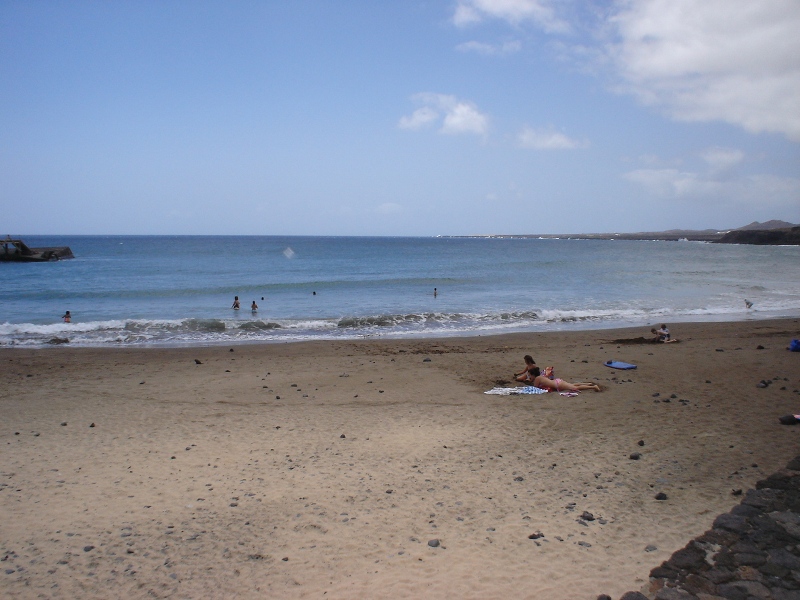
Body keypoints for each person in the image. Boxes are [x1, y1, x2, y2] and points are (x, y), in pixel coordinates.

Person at [531, 368, 601, 392]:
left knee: (574, 388)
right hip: (557, 382)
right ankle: (587, 384)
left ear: (533, 375)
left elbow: (535, 388)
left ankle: (593, 387)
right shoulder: (541, 376)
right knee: (572, 385)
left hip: (558, 384)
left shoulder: (537, 378)